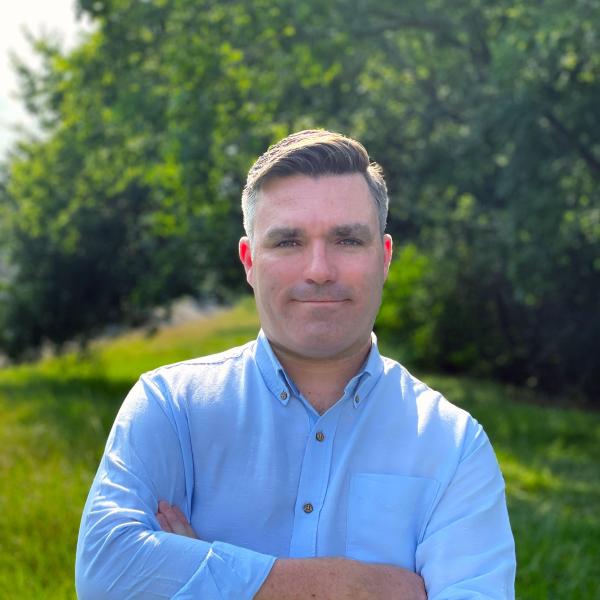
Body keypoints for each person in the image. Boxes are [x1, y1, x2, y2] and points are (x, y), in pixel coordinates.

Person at [75, 130, 516, 599]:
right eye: (288, 242)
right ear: (249, 261)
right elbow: (107, 574)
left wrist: (208, 577)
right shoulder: (170, 407)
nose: (319, 270)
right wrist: (357, 587)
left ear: (384, 258)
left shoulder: (452, 443)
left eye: (347, 240)